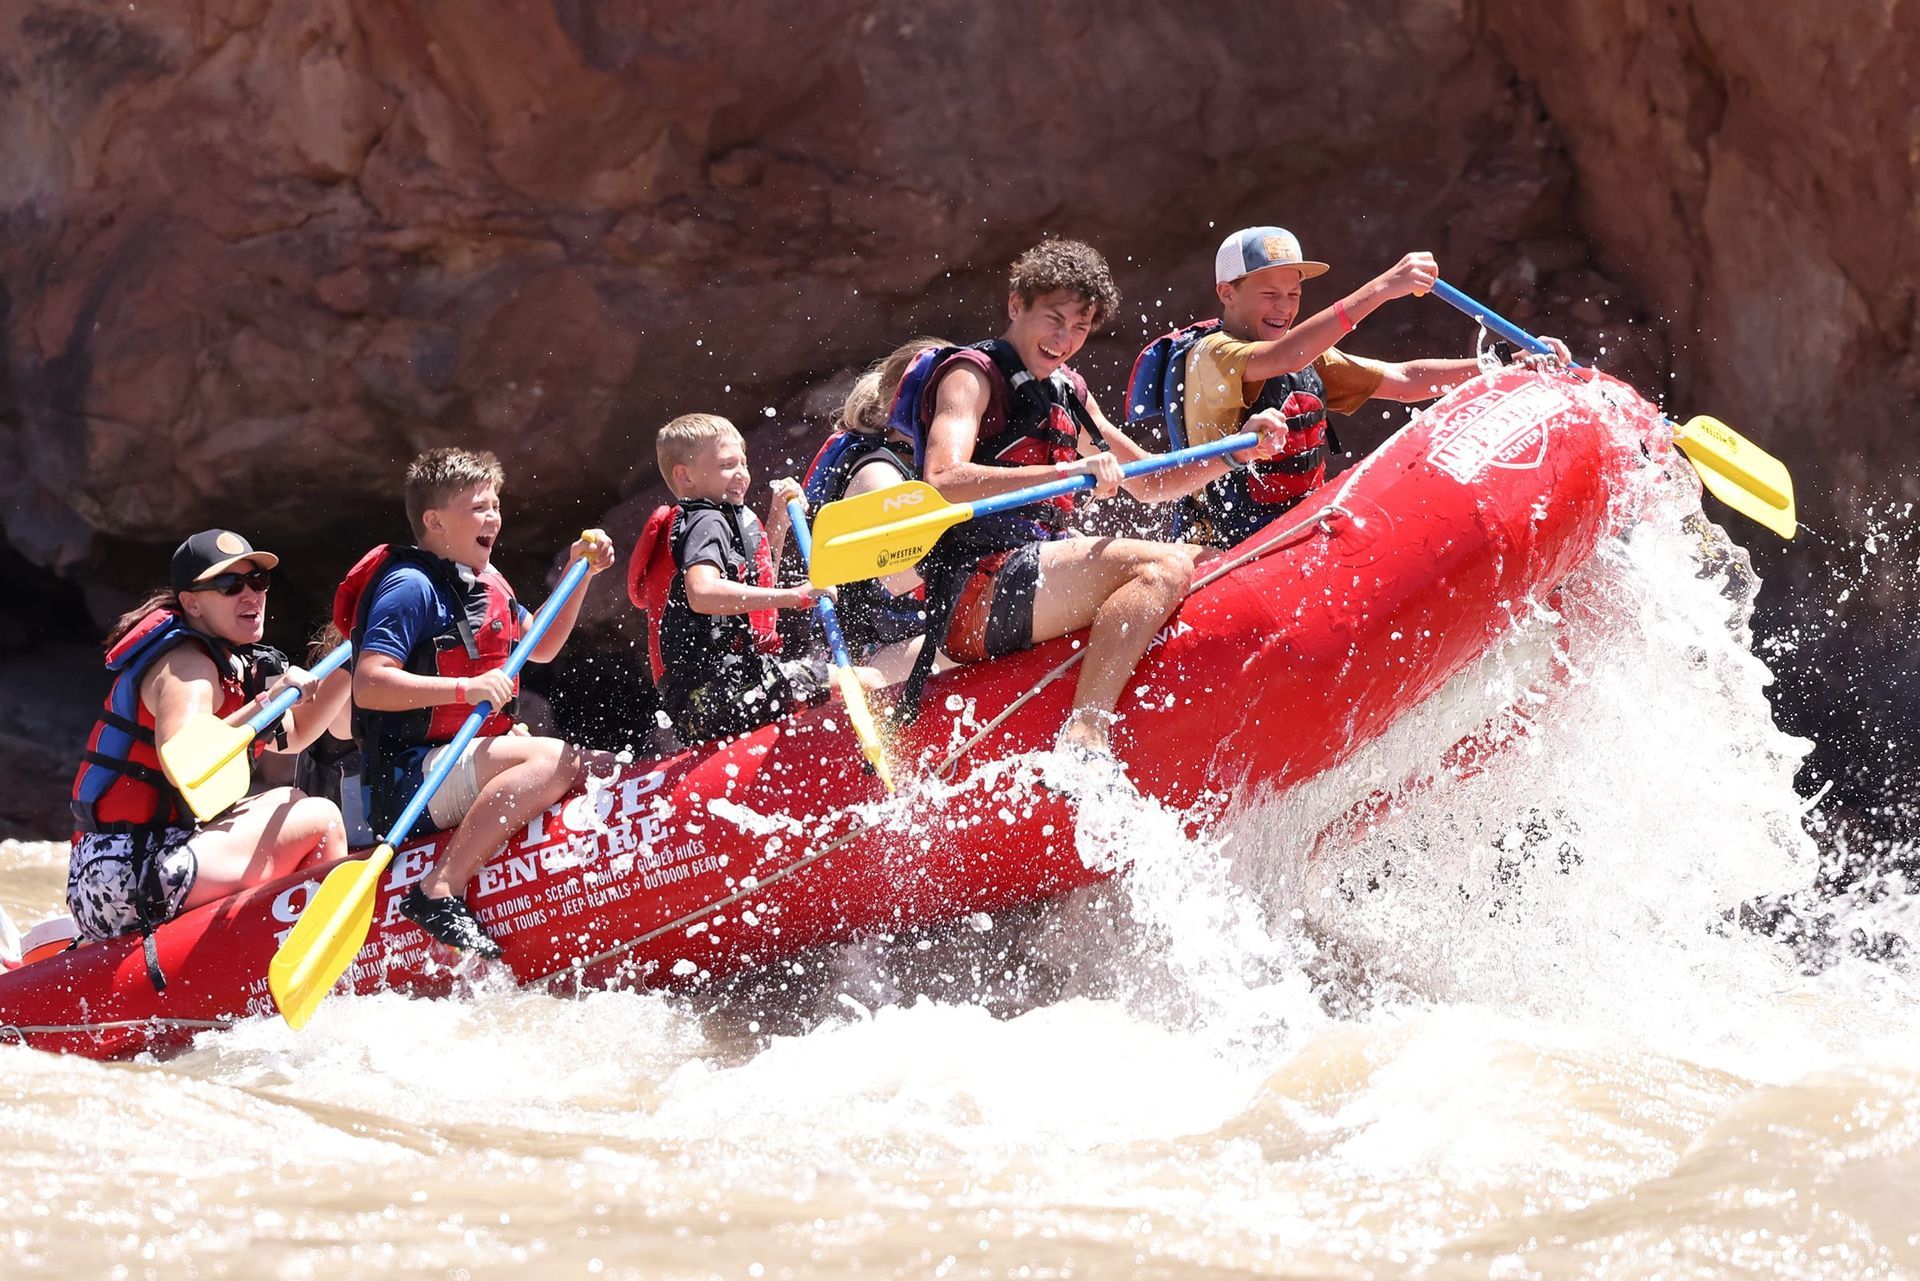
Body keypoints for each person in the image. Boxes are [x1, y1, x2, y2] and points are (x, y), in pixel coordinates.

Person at [899, 237, 1290, 762]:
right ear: (1017, 304)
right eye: (1053, 319)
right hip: (975, 592)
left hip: (1035, 576)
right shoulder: (971, 376)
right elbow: (943, 478)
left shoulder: (1067, 390)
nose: (1064, 339)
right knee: (1162, 568)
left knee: (1209, 562)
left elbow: (1150, 482)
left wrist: (1239, 450)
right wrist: (1069, 470)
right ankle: (1084, 742)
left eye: (1080, 327)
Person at [1128, 225, 1571, 547]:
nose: (1285, 307)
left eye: (1293, 294)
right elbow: (1287, 357)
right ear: (1227, 293)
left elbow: (1404, 380)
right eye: (1269, 294)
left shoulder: (1302, 353)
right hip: (1222, 549)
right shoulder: (1213, 355)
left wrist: (1506, 366)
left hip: (1293, 534)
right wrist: (1381, 288)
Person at [338, 448, 615, 958]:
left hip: (458, 762)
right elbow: (370, 684)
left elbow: (543, 646)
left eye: (495, 505)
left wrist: (581, 575)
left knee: (597, 765)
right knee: (554, 759)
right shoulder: (408, 587)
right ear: (435, 520)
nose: (494, 518)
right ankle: (439, 890)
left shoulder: (488, 580)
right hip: (405, 780)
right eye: (478, 508)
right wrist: (466, 690)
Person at [67, 529, 353, 969]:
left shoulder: (233, 662)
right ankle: (326, 960)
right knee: (321, 819)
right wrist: (266, 703)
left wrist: (351, 665)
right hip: (122, 874)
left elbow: (293, 736)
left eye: (257, 582)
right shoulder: (188, 666)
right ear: (192, 602)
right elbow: (187, 757)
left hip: (134, 865)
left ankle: (281, 942)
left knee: (291, 800)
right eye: (229, 585)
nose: (250, 595)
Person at [629, 413, 871, 744]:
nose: (741, 474)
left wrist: (778, 520)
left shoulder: (714, 520)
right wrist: (798, 594)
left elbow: (753, 584)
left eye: (743, 463)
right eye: (727, 465)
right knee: (864, 681)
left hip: (712, 697)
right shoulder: (705, 522)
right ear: (684, 476)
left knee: (828, 685)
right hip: (715, 695)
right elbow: (702, 592)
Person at [790, 337, 948, 684]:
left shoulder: (926, 471)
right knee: (998, 631)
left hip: (911, 643)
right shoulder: (878, 475)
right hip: (872, 658)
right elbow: (898, 577)